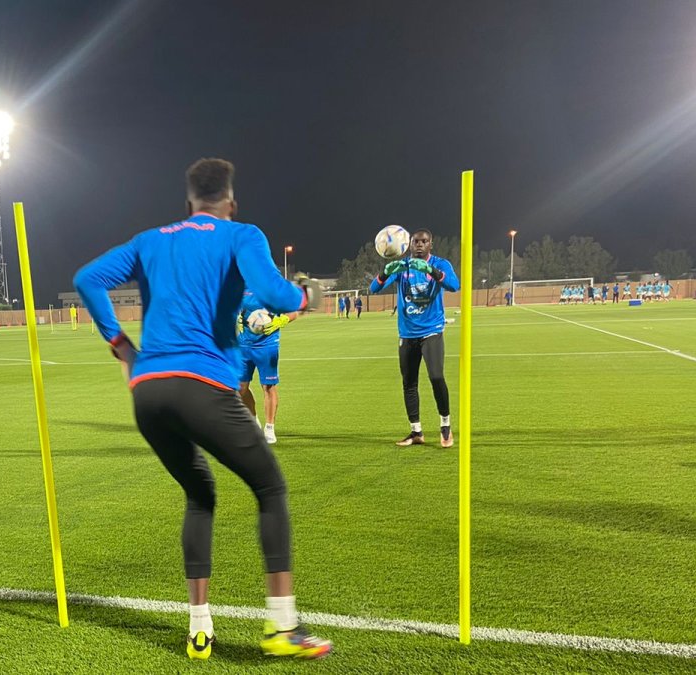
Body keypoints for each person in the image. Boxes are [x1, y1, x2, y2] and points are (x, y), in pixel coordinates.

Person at [73, 158, 332, 661]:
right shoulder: (240, 233)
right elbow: (278, 294)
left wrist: (123, 347)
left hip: (148, 393)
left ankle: (199, 628)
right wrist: (310, 295)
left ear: (187, 203)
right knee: (270, 487)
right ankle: (282, 626)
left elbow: (87, 278)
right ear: (230, 203)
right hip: (203, 385)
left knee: (200, 492)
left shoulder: (150, 240)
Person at [369, 229, 460, 448]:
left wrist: (431, 270)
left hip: (431, 330)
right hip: (407, 333)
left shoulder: (441, 263)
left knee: (436, 377)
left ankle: (445, 425)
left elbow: (455, 286)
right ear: (409, 245)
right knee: (409, 383)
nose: (419, 245)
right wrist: (385, 272)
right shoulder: (403, 266)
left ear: (431, 244)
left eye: (424, 241)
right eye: (415, 242)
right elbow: (374, 288)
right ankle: (416, 431)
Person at [238, 289, 298, 444]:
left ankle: (269, 428)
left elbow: (293, 312)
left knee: (268, 386)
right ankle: (253, 420)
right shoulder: (239, 287)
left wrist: (280, 321)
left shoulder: (272, 288)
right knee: (240, 388)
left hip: (267, 345)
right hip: (243, 344)